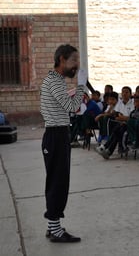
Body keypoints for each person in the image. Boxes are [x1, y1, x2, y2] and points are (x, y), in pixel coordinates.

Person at [40, 44, 87, 242]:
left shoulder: (53, 80)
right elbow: (72, 106)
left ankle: (53, 227)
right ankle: (56, 230)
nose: (77, 65)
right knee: (58, 183)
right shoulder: (56, 82)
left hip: (55, 134)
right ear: (61, 60)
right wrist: (81, 86)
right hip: (56, 135)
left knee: (55, 181)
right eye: (74, 60)